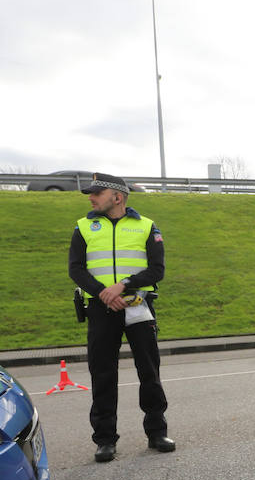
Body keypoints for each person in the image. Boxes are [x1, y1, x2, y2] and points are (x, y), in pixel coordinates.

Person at [67, 172, 175, 462]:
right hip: (102, 309)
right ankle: (105, 440)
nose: (91, 198)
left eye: (96, 193)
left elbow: (157, 270)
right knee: (102, 374)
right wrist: (105, 293)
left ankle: (156, 432)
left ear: (117, 197)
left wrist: (123, 285)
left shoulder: (146, 226)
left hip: (138, 304)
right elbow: (76, 269)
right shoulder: (84, 227)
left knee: (149, 371)